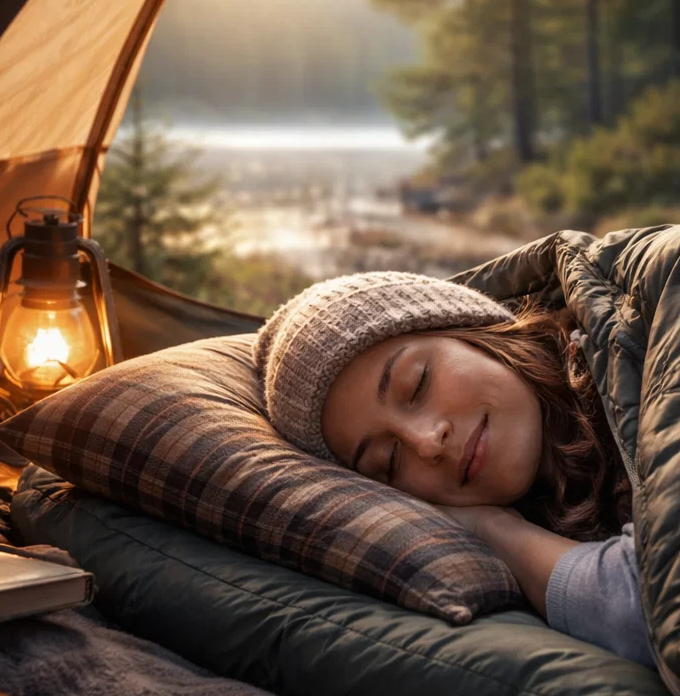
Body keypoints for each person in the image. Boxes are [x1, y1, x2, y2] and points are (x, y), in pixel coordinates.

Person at [255, 271, 654, 667]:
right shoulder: (531, 535)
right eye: (388, 461)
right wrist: (491, 528)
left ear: (473, 331)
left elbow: (661, 602)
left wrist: (499, 532)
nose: (428, 442)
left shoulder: (642, 348)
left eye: (417, 384)